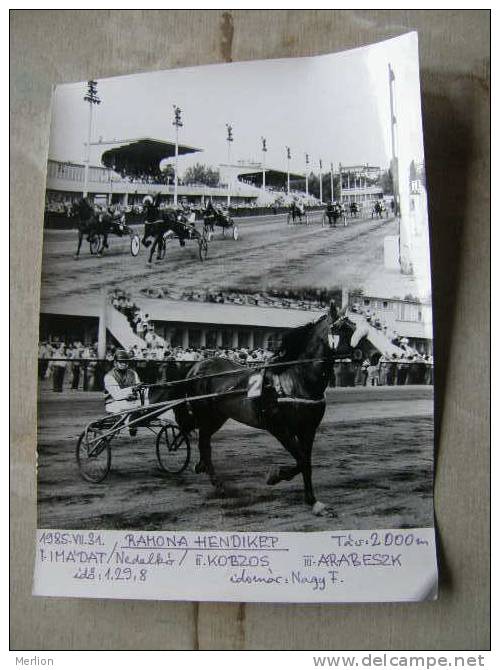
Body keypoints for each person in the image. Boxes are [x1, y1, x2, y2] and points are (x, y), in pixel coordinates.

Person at [104, 349, 143, 435]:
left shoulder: (133, 373)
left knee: (144, 405)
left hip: (131, 402)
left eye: (126, 362)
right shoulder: (109, 376)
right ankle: (130, 425)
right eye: (121, 362)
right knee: (130, 408)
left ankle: (132, 425)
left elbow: (138, 387)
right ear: (115, 362)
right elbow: (117, 395)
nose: (124, 364)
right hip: (113, 403)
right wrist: (132, 390)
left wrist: (140, 388)